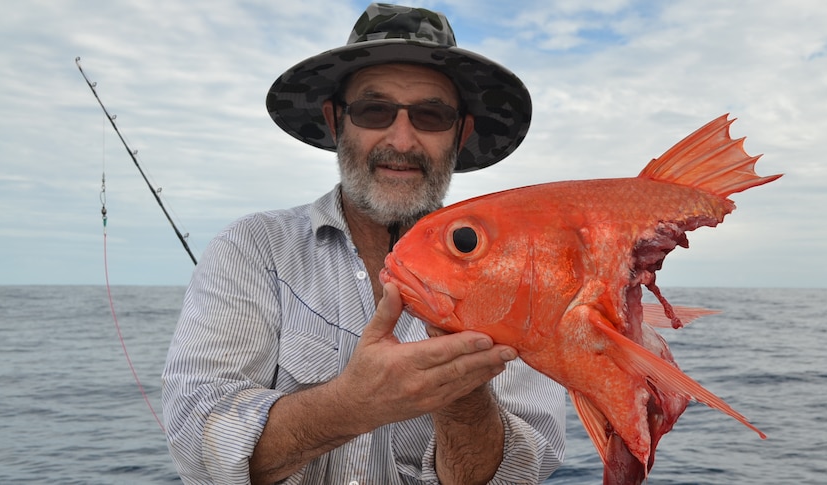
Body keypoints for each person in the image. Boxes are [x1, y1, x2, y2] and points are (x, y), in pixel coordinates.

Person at [162, 3, 567, 484]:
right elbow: (195, 441)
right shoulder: (253, 248)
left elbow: (523, 473)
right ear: (336, 123)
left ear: (461, 134)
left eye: (431, 115)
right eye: (374, 111)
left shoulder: (521, 268)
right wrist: (350, 406)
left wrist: (461, 394)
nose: (401, 138)